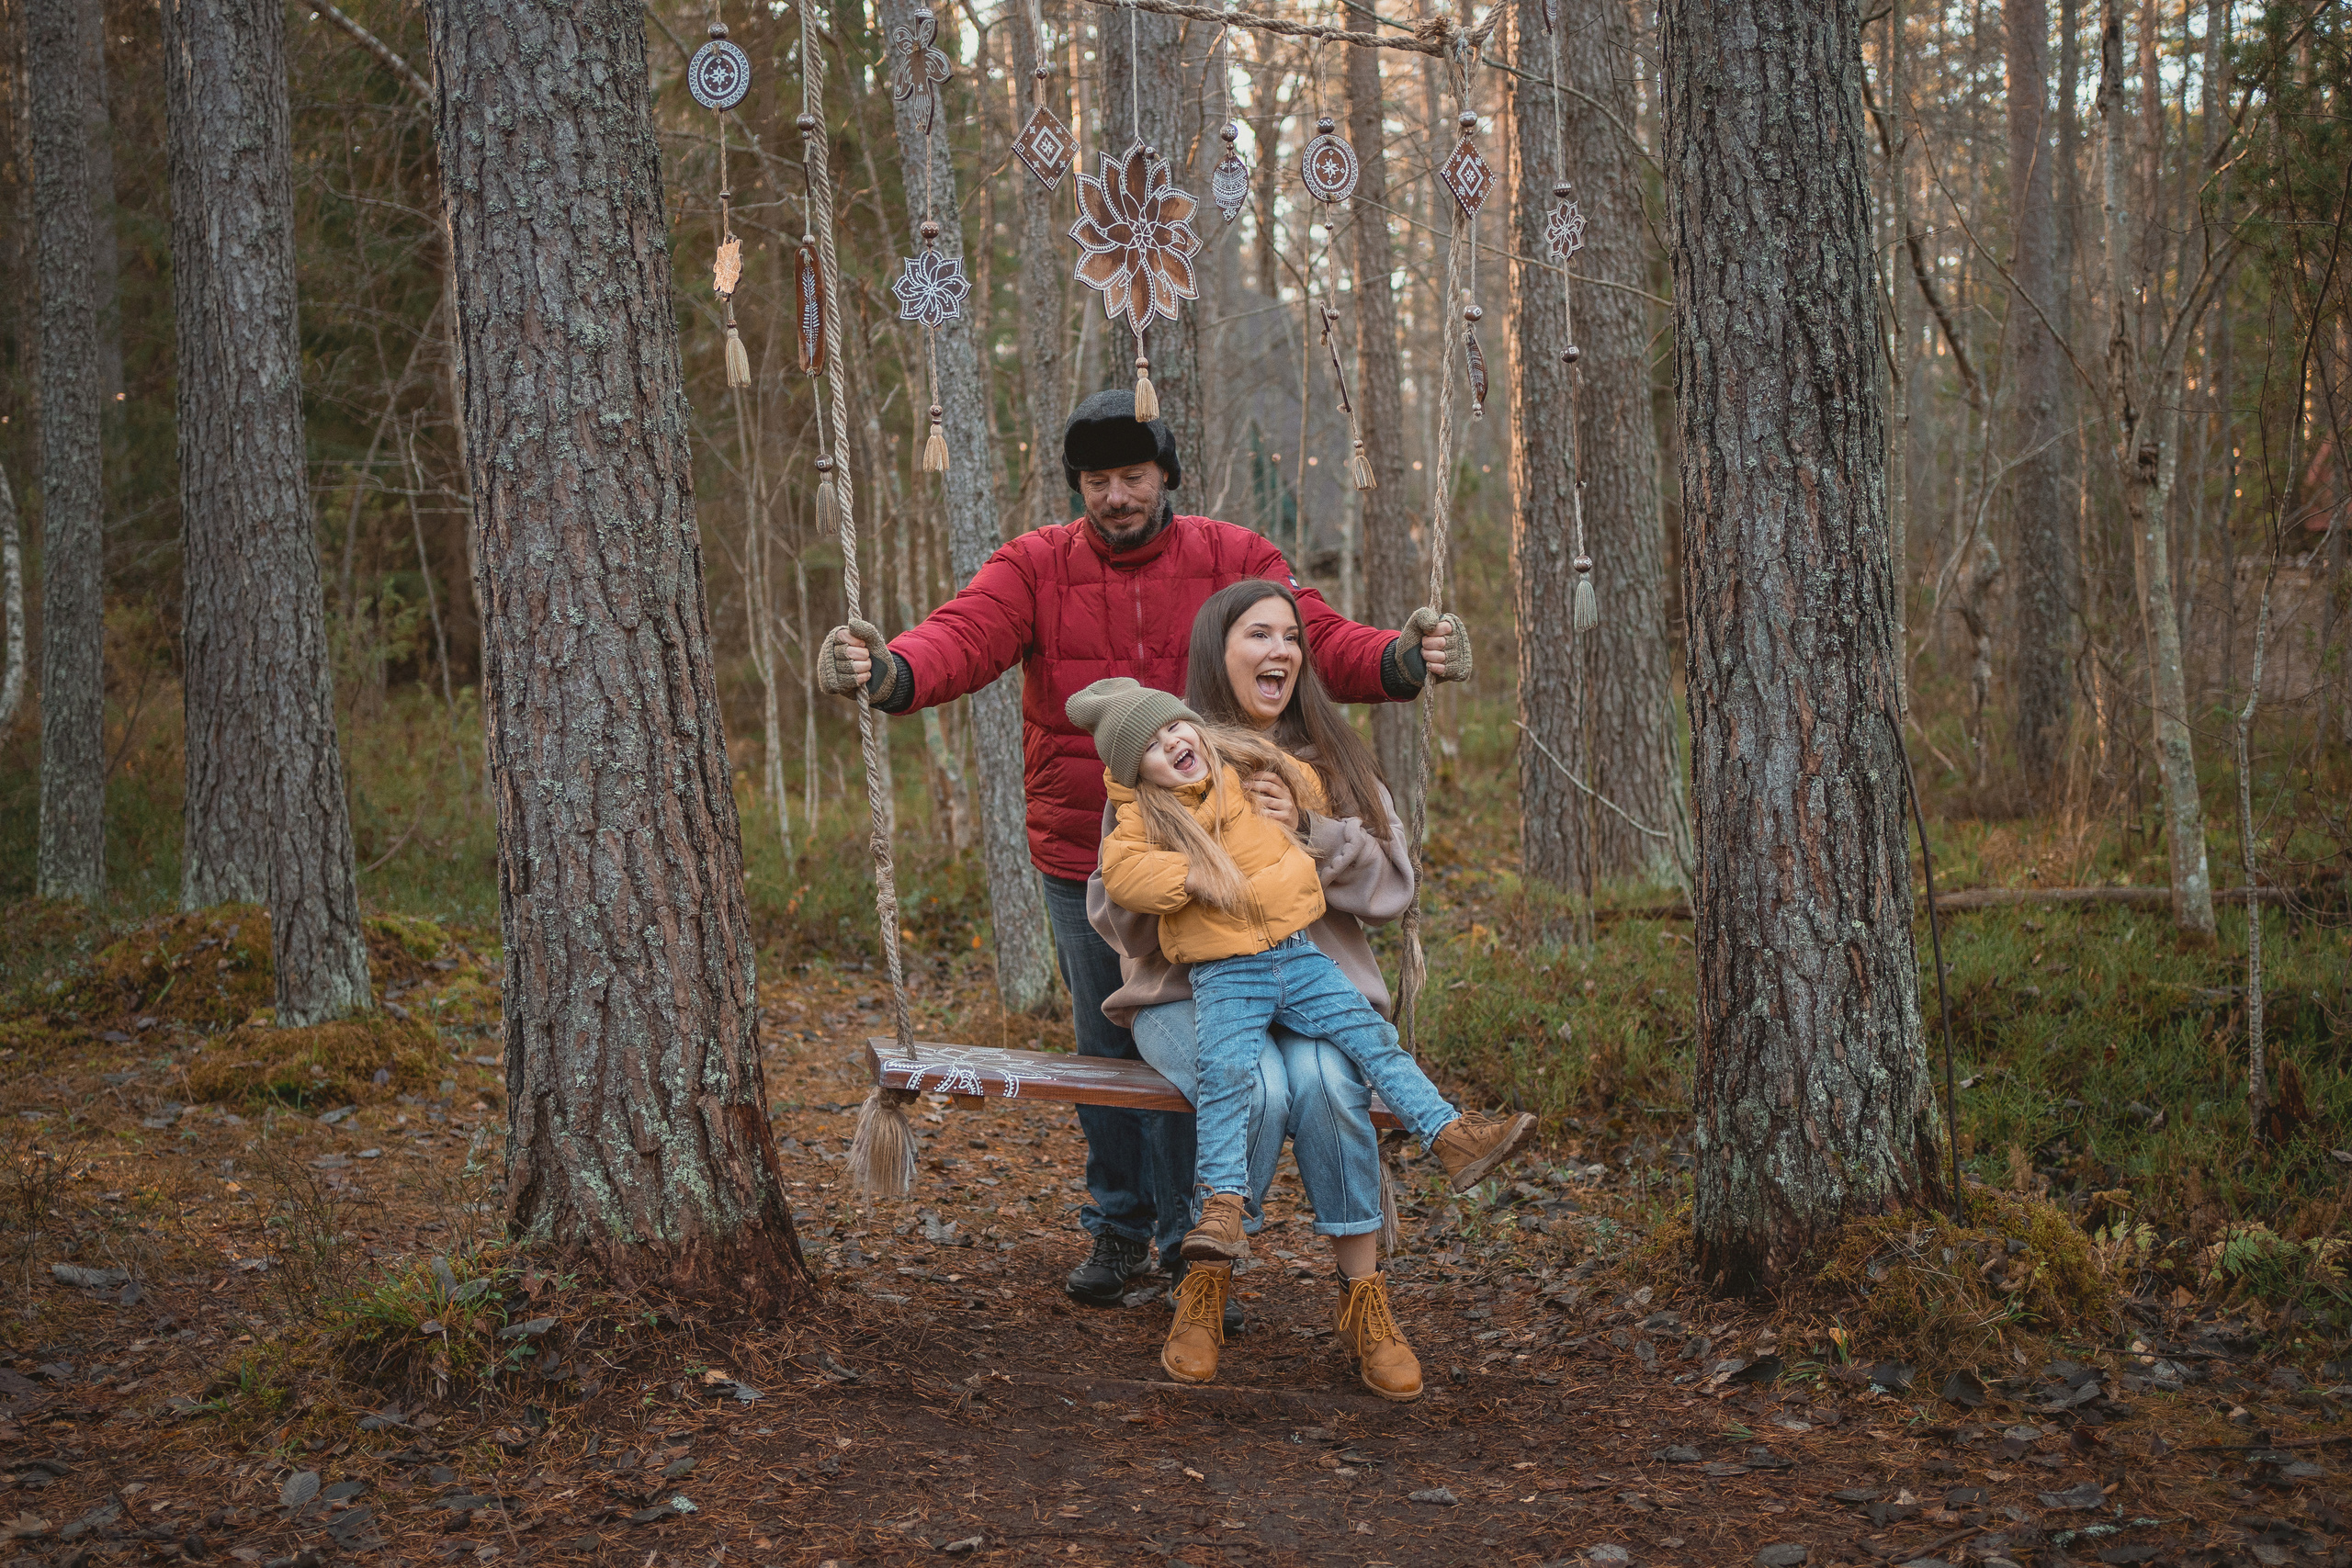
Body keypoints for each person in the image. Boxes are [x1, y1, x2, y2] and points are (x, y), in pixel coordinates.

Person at [816, 389, 1473, 1310]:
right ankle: (1118, 1227)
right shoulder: (1034, 565)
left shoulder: (1233, 556)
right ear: (1076, 486)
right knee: (1108, 1046)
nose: (1115, 496)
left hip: (1220, 851)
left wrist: (1399, 660)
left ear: (1165, 477)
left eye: (1132, 477)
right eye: (1096, 481)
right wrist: (891, 673)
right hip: (1083, 854)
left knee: (1194, 1048)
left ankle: (1185, 1241)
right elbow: (962, 636)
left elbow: (1312, 637)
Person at [1081, 580, 1531, 1400]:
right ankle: (1207, 1283)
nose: (1281, 650)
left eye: (1292, 635)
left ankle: (1364, 1296)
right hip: (1189, 994)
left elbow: (1393, 885)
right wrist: (1205, 870)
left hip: (1311, 980)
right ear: (1219, 653)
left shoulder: (1325, 756)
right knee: (1257, 1083)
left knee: (1324, 1082)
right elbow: (1120, 913)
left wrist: (1307, 831)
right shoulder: (1158, 760)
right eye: (1259, 634)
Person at [1075, 678, 1532, 1245]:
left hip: (1298, 954)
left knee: (1372, 1039)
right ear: (1137, 774)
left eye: (1175, 726)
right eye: (1150, 746)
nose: (1171, 744)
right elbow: (1124, 876)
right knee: (1230, 1077)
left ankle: (1451, 1135)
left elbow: (1313, 786)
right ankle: (1221, 1205)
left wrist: (1295, 801)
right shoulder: (1146, 820)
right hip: (1225, 973)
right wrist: (1191, 875)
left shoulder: (1240, 774)